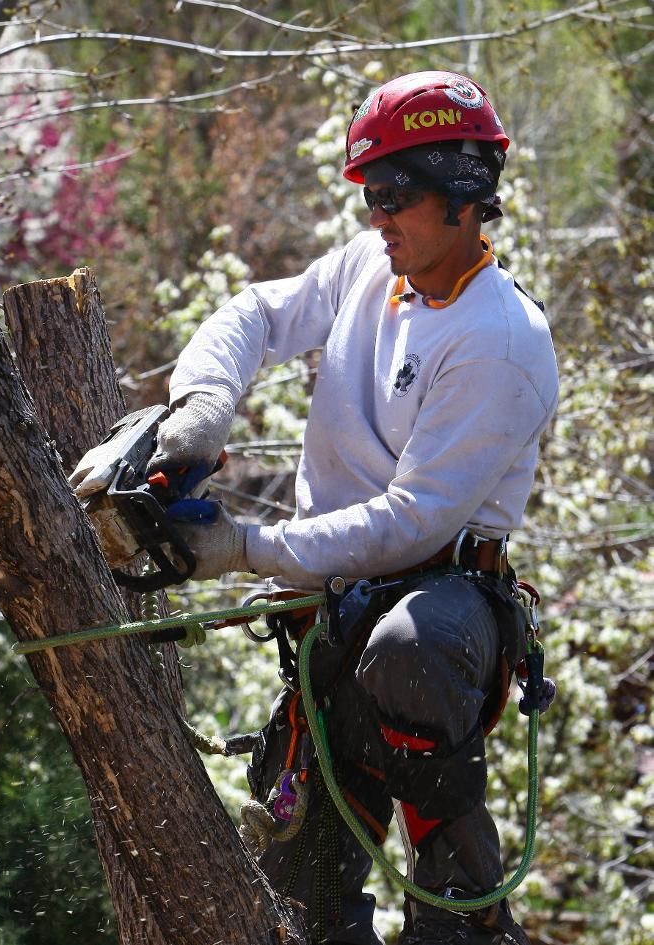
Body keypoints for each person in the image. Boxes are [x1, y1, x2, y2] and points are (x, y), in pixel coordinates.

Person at [147, 71, 559, 945]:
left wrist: (245, 547)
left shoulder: (502, 339)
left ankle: (461, 908)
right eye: (372, 193)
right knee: (300, 916)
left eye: (397, 194)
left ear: (465, 192)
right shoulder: (373, 269)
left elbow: (411, 522)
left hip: (438, 612)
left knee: (409, 651)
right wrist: (203, 404)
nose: (379, 215)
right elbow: (257, 311)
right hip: (335, 613)